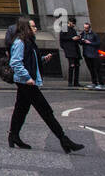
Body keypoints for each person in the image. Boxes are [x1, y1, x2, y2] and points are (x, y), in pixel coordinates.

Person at [9, 16, 83, 152]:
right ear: (26, 28)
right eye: (32, 26)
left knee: (21, 109)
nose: (35, 28)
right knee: (46, 111)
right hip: (26, 82)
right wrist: (27, 77)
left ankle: (13, 136)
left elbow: (29, 60)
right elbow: (15, 63)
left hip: (27, 81)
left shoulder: (29, 41)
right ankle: (64, 139)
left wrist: (43, 59)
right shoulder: (20, 42)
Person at [78, 22, 105, 89]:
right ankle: (94, 82)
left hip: (94, 54)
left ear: (89, 27)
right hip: (86, 54)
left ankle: (101, 83)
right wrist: (80, 40)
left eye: (86, 28)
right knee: (91, 69)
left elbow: (98, 43)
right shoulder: (83, 33)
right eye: (84, 28)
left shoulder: (94, 34)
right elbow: (80, 43)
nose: (85, 29)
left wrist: (90, 43)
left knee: (97, 69)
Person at [60, 19, 82, 88]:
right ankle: (70, 82)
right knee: (71, 66)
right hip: (70, 50)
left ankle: (76, 82)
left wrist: (78, 38)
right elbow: (62, 38)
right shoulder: (64, 29)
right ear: (69, 22)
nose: (73, 25)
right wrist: (72, 38)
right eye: (73, 23)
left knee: (77, 66)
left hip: (75, 50)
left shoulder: (73, 30)